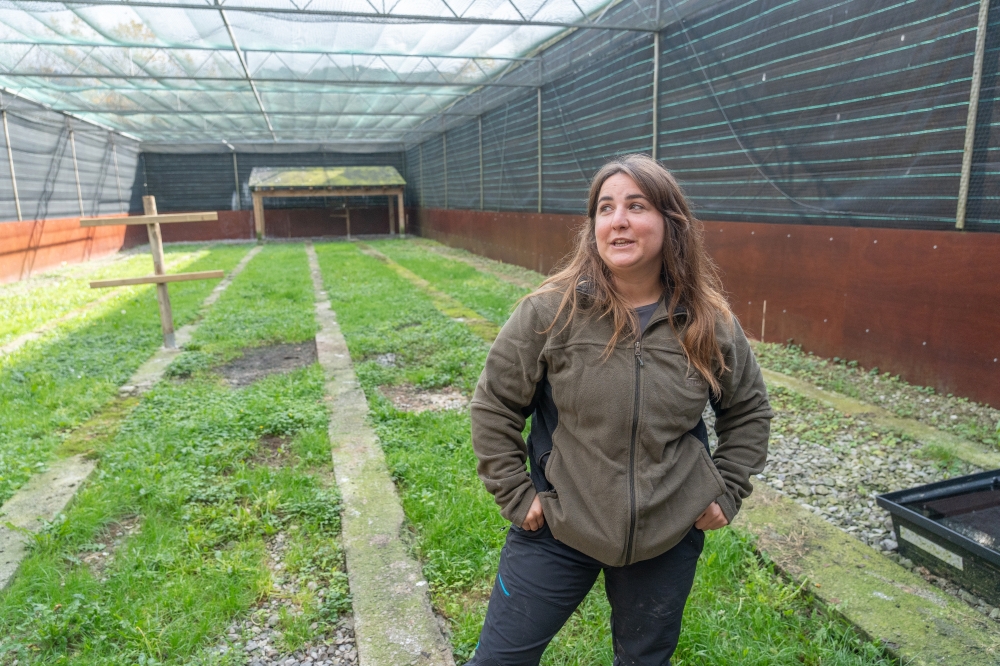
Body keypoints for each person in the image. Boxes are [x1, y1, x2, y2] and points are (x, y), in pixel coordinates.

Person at [467, 154, 772, 666]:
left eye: (637, 206)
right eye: (605, 208)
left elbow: (748, 410)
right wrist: (518, 496)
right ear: (592, 228)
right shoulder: (549, 312)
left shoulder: (708, 322)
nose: (619, 220)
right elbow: (494, 406)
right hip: (560, 524)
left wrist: (729, 488)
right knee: (501, 659)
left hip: (666, 533)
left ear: (670, 223)